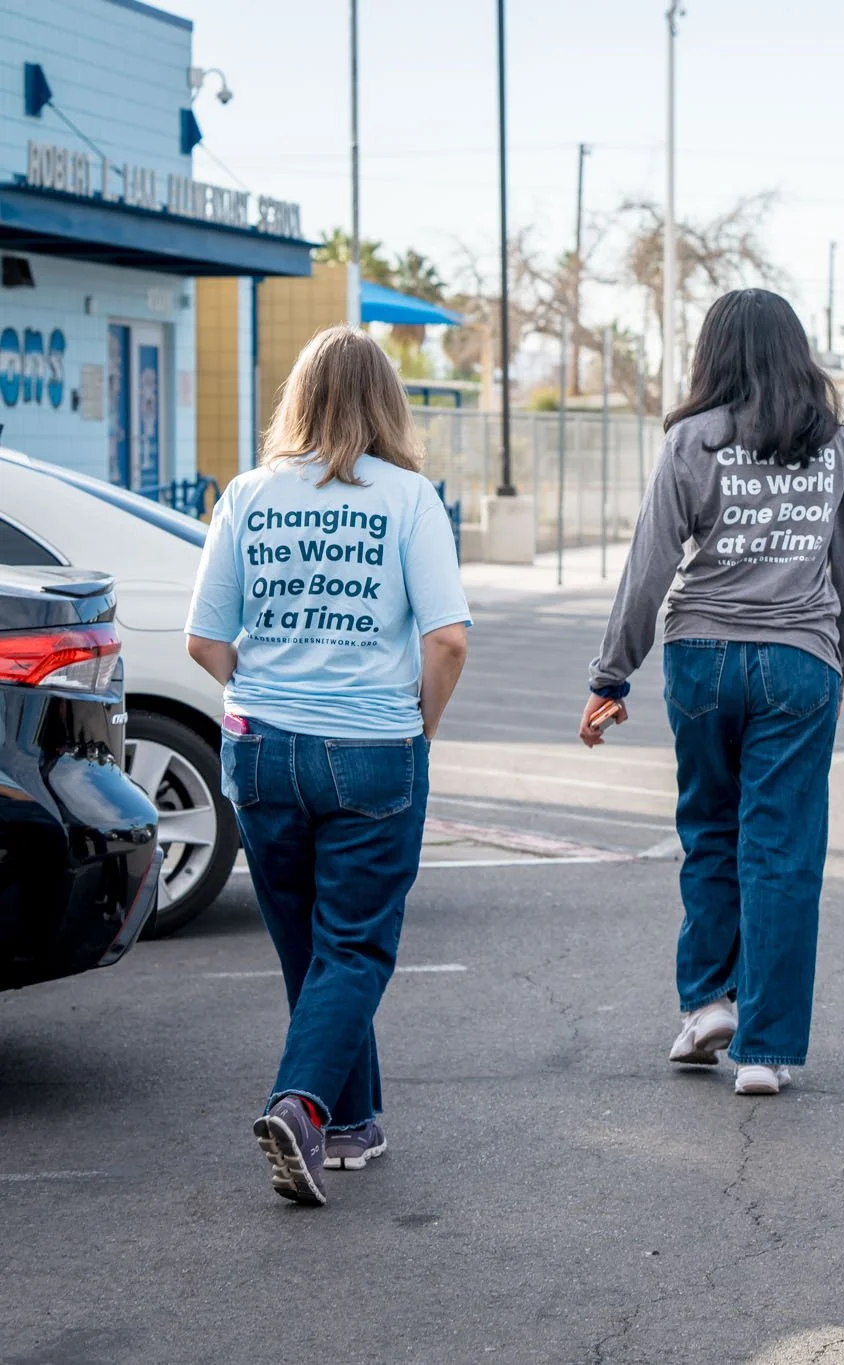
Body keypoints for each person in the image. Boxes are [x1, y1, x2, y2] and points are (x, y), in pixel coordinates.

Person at [186, 326, 470, 1207]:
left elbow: (204, 640)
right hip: (373, 748)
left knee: (311, 948)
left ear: (297, 400)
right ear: (388, 402)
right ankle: (301, 1107)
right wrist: (415, 727)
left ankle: (350, 1123)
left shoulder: (247, 494)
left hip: (262, 748)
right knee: (353, 947)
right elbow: (449, 640)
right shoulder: (409, 497)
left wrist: (273, 693)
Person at [584, 288, 844, 1098]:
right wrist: (835, 663)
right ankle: (766, 1050)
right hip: (799, 660)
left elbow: (650, 565)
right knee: (781, 850)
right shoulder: (835, 443)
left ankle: (708, 1002)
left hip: (700, 657)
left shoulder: (690, 440)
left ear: (714, 353)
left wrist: (612, 673)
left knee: (708, 827)